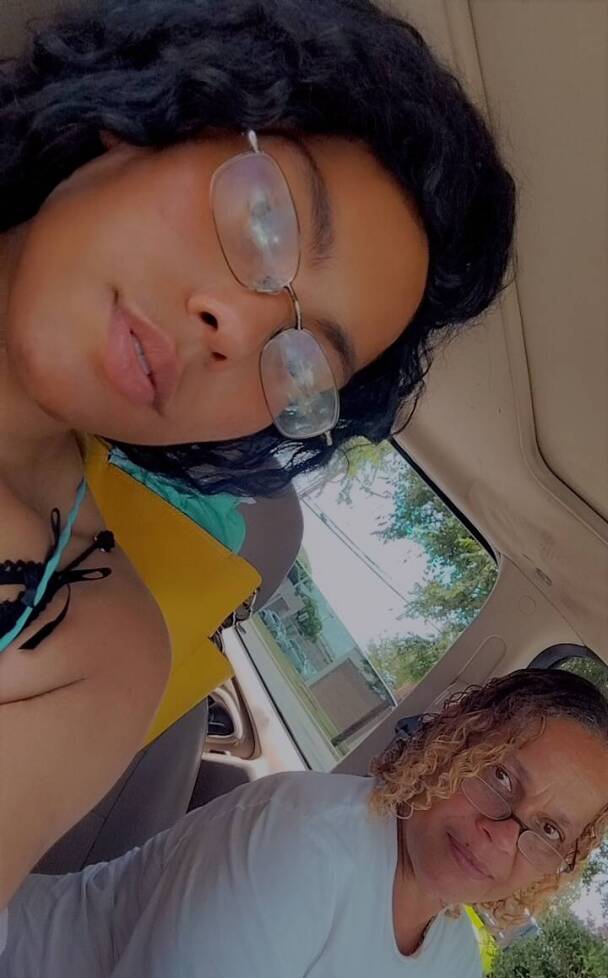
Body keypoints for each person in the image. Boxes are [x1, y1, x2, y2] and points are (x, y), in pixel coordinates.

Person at [0, 0, 516, 913]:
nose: (238, 328)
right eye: (268, 218)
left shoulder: (93, 652)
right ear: (159, 111)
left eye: (306, 359)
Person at [1, 668, 607, 978]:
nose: (504, 835)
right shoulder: (303, 837)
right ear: (456, 740)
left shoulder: (455, 971)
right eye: (501, 778)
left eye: (550, 831)